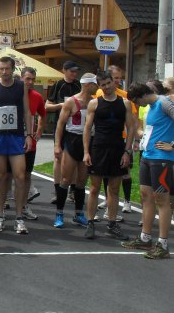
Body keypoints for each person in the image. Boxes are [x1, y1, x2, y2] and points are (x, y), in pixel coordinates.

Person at [83, 70, 137, 240]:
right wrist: (86, 152)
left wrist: (127, 151)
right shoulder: (94, 103)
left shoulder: (125, 103)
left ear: (114, 82)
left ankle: (112, 224)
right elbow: (87, 129)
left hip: (117, 149)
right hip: (98, 148)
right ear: (99, 86)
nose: (106, 87)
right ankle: (90, 222)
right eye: (103, 85)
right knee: (94, 188)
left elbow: (131, 128)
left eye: (108, 83)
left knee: (114, 189)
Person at [0, 56, 32, 234]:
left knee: (20, 176)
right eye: (1, 69)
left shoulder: (20, 86)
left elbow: (27, 111)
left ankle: (19, 217)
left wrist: (29, 135)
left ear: (13, 69)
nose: (4, 72)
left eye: (7, 69)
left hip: (16, 136)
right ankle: (0, 215)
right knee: (0, 176)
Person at [124, 82, 174, 258]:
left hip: (162, 158)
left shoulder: (164, 102)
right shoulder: (151, 106)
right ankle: (145, 238)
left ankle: (163, 245)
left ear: (143, 95)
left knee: (162, 200)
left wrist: (172, 145)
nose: (137, 105)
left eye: (136, 101)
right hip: (147, 156)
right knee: (146, 196)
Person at [53, 73, 98, 228]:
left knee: (81, 181)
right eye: (95, 84)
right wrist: (57, 145)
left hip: (89, 141)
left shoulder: (95, 102)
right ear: (87, 85)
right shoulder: (71, 102)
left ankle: (78, 214)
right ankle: (59, 213)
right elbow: (60, 124)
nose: (97, 87)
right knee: (66, 179)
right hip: (73, 140)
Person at [95, 64, 138, 219]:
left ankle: (126, 201)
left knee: (124, 173)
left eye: (119, 78)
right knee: (103, 176)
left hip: (122, 140)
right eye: (115, 78)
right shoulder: (99, 93)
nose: (117, 81)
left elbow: (133, 121)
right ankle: (107, 203)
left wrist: (132, 143)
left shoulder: (125, 97)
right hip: (103, 142)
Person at [46, 61, 81, 204]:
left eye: (76, 71)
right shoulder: (58, 85)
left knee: (76, 158)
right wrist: (61, 105)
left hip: (77, 126)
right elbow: (47, 106)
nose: (74, 74)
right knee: (58, 157)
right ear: (64, 71)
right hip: (61, 125)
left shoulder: (79, 85)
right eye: (71, 71)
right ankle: (57, 190)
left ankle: (73, 190)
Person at [20, 67, 46, 220]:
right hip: (12, 140)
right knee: (6, 175)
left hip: (29, 142)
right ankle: (1, 205)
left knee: (26, 175)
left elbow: (42, 113)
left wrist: (39, 131)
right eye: (27, 79)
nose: (30, 82)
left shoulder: (37, 96)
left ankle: (24, 206)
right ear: (21, 78)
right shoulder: (13, 93)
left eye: (32, 79)